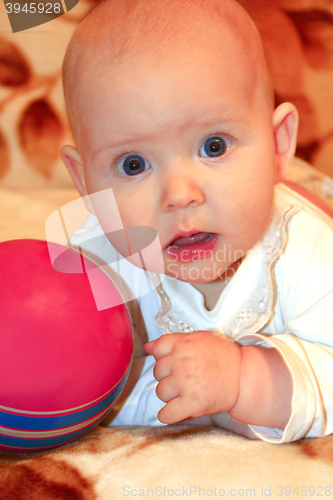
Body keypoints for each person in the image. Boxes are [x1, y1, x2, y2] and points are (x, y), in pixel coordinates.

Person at [61, 0, 333, 443]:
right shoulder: (97, 267)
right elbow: (81, 386)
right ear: (86, 184)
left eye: (213, 146)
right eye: (133, 165)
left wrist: (245, 381)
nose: (180, 194)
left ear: (278, 145)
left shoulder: (307, 253)